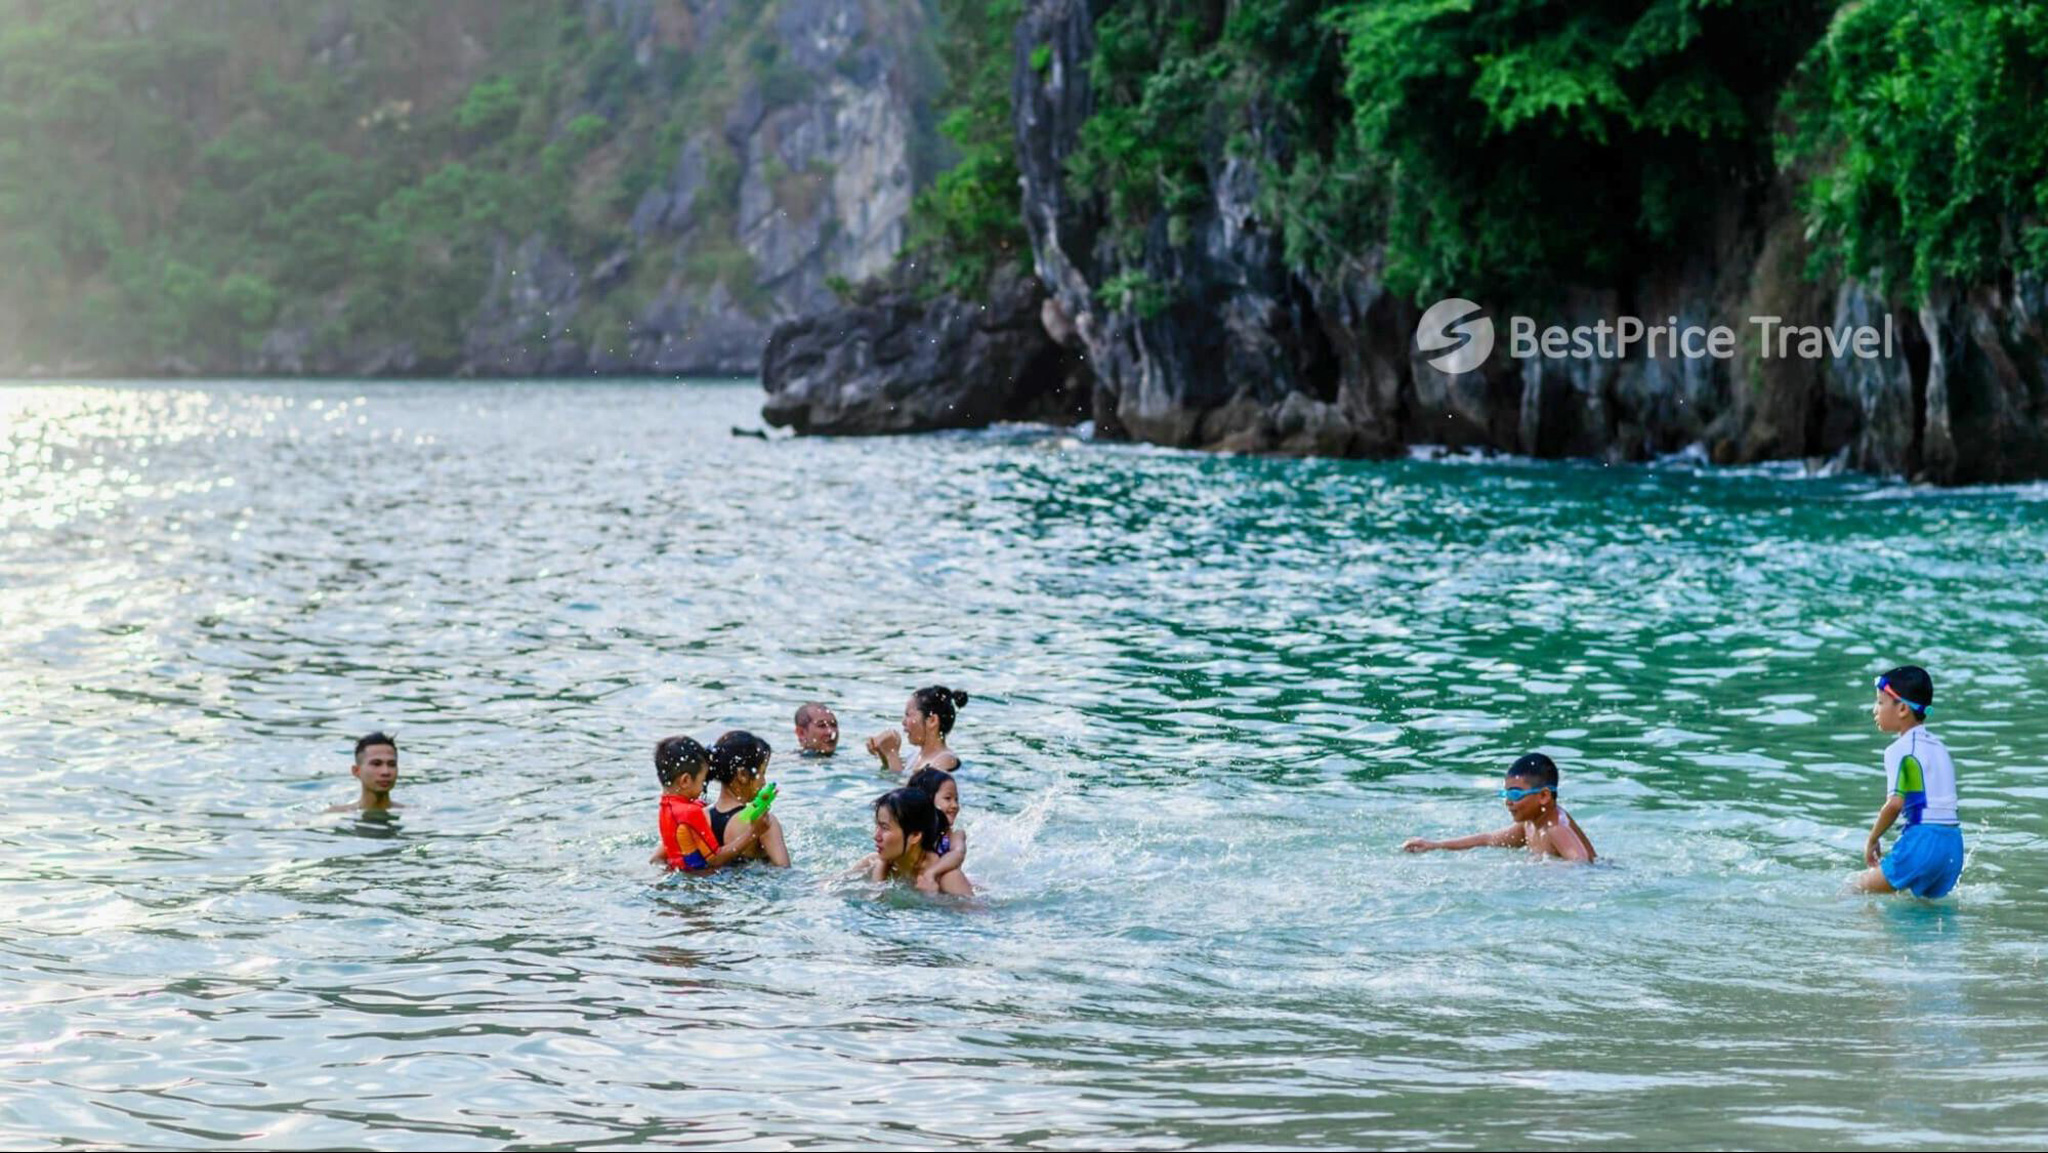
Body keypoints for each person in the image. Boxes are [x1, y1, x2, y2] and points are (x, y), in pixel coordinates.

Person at [1851, 665, 1964, 897]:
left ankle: (1869, 934)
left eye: (1880, 702)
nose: (1875, 709)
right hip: (1953, 845)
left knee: (1856, 888)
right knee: (1923, 911)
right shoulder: (1939, 747)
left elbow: (1895, 804)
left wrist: (1872, 839)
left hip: (1923, 842)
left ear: (1902, 709)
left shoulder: (1900, 749)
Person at [1402, 753, 1596, 862]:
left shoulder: (1556, 828)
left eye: (1515, 795)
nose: (1508, 802)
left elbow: (1581, 865)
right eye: (1506, 795)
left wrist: (1540, 873)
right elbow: (1488, 839)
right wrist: (1435, 845)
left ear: (1544, 796)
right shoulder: (1528, 826)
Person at [647, 736, 760, 872]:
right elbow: (715, 859)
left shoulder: (665, 809)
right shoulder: (691, 812)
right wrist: (753, 832)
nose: (703, 787)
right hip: (702, 880)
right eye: (702, 781)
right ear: (685, 780)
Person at [852, 786, 973, 896]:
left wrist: (934, 899)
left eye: (885, 828)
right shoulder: (873, 862)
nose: (876, 836)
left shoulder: (948, 879)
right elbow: (833, 888)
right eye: (877, 826)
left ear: (915, 835)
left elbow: (978, 916)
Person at [707, 730, 791, 867]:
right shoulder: (762, 823)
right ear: (742, 775)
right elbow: (785, 871)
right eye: (762, 773)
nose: (764, 782)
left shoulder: (701, 816)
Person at [866, 686, 968, 776]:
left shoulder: (945, 760)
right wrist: (884, 752)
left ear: (932, 721)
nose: (903, 722)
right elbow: (896, 776)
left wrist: (892, 754)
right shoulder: (914, 756)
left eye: (908, 715)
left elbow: (911, 794)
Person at [907, 766, 967, 884]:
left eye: (956, 799)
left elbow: (958, 853)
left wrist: (931, 873)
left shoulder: (955, 835)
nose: (955, 805)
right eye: (948, 798)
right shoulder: (914, 833)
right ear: (926, 800)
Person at [327, 732, 403, 813]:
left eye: (392, 764)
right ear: (356, 771)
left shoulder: (411, 813)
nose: (386, 772)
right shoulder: (335, 814)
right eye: (376, 764)